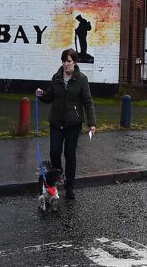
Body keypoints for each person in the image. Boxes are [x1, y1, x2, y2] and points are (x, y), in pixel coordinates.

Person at [36, 48, 96, 199]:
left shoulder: (82, 79)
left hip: (73, 124)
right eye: (64, 61)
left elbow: (88, 102)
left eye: (69, 61)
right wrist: (42, 95)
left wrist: (92, 123)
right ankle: (59, 175)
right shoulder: (56, 77)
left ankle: (70, 187)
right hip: (56, 122)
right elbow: (50, 96)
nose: (66, 64)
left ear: (75, 62)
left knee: (70, 154)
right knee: (54, 152)